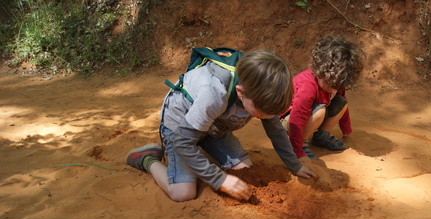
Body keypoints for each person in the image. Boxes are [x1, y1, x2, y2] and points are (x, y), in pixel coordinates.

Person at [126, 49, 317, 202]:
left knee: (245, 170)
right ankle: (147, 159)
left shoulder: (260, 91)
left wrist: (294, 165)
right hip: (180, 127)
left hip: (214, 128)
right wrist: (219, 179)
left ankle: (200, 151)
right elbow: (182, 142)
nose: (267, 116)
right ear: (241, 92)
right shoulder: (214, 95)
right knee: (182, 193)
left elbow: (274, 127)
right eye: (263, 112)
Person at [280, 35, 364, 163]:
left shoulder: (336, 79)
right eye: (328, 84)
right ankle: (302, 142)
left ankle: (321, 136)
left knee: (342, 103)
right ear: (319, 71)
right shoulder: (307, 86)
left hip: (312, 113)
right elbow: (297, 117)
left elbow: (342, 100)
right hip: (289, 120)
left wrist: (346, 128)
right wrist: (297, 151)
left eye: (336, 86)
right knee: (320, 110)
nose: (332, 89)